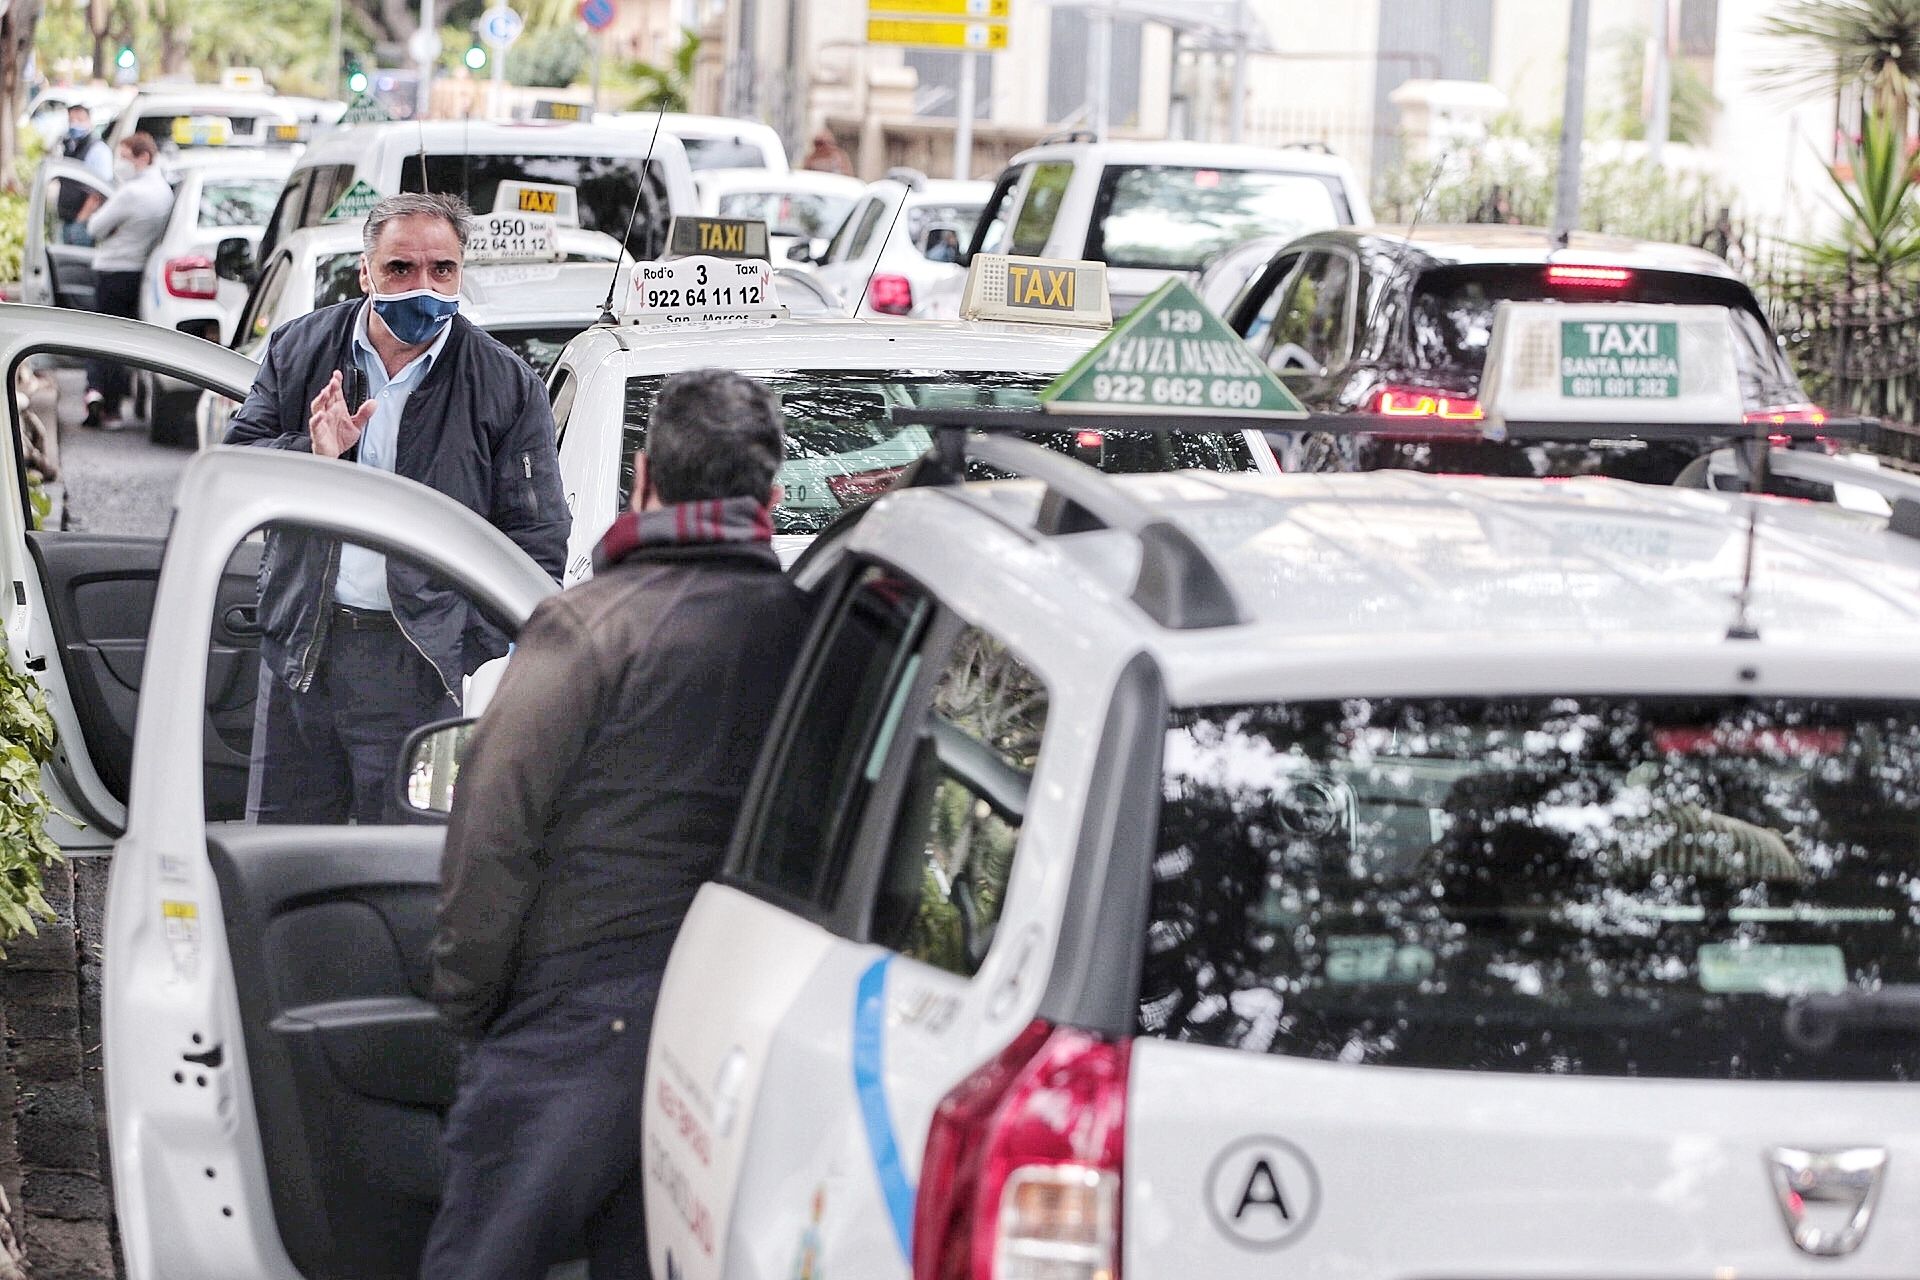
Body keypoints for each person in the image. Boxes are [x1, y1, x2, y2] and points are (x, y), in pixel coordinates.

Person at [423, 369, 814, 1280]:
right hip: (746, 1040)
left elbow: (491, 838)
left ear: (644, 479)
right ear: (770, 496)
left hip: (576, 1024)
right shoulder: (814, 637)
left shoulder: (587, 628)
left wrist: (471, 1008)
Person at [224, 192, 570, 825]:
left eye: (442, 269)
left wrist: (468, 646)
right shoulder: (300, 349)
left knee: (406, 872)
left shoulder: (504, 383)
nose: (423, 286)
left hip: (423, 669)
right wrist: (314, 452)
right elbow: (237, 470)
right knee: (286, 866)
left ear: (461, 271)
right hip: (306, 651)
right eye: (400, 269)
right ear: (366, 273)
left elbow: (537, 540)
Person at [80, 131, 172, 427]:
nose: (119, 164)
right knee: (125, 340)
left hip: (111, 271)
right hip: (137, 274)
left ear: (143, 157)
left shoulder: (130, 192)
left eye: (124, 157)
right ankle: (115, 405)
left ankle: (100, 398)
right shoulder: (165, 192)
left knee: (101, 338)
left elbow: (95, 227)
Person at [55, 103, 112, 246]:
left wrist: (80, 220)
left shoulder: (98, 150)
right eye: (71, 120)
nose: (74, 124)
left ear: (89, 121)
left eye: (79, 120)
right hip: (67, 218)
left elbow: (98, 192)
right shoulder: (69, 146)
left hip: (83, 222)